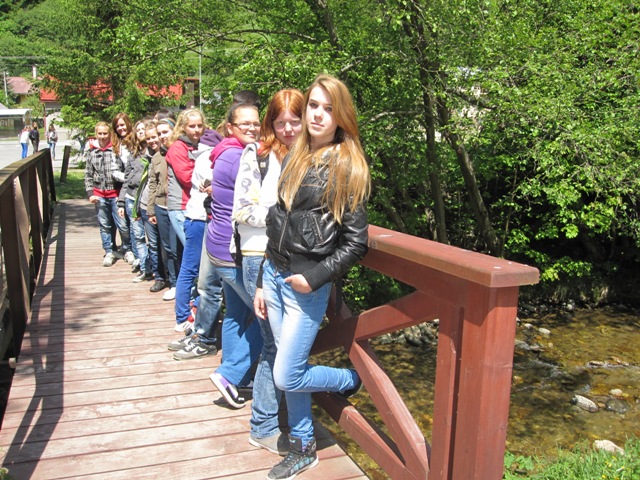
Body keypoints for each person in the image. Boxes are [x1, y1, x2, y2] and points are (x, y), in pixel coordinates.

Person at [254, 74, 370, 480]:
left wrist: (315, 278)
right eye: (313, 106)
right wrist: (261, 281)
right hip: (274, 275)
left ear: (341, 116)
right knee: (292, 369)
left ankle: (349, 378)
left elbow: (356, 243)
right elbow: (277, 222)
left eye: (328, 108)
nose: (318, 115)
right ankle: (303, 447)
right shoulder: (296, 154)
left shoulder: (347, 166)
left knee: (287, 372)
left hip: (305, 287)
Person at [231, 88, 304, 455]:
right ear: (270, 124)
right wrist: (285, 217)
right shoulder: (257, 155)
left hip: (296, 261)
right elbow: (242, 210)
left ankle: (287, 417)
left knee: (287, 343)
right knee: (274, 344)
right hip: (258, 256)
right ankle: (263, 426)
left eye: (295, 121)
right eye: (280, 122)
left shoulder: (310, 155)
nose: (288, 129)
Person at [205, 103, 264, 406]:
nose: (252, 128)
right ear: (230, 127)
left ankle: (236, 376)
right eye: (245, 124)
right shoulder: (239, 157)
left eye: (256, 123)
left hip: (217, 248)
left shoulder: (223, 152)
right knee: (268, 318)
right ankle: (229, 374)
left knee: (236, 315)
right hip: (232, 253)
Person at [165, 108, 208, 332]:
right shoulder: (178, 148)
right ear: (183, 127)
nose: (197, 130)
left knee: (196, 264)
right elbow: (188, 177)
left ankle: (194, 306)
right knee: (192, 265)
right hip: (183, 209)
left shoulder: (198, 146)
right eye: (192, 126)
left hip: (194, 208)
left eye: (200, 125)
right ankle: (183, 315)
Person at [83, 121, 130, 267]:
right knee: (104, 224)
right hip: (99, 194)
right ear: (96, 134)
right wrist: (90, 193)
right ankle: (109, 250)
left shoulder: (116, 149)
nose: (103, 136)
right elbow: (88, 174)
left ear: (109, 134)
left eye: (105, 133)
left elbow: (125, 169)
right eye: (100, 134)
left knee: (122, 224)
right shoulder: (92, 152)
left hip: (115, 193)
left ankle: (127, 249)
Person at [147, 116, 180, 300]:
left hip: (177, 206)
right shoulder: (156, 157)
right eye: (159, 134)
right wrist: (151, 209)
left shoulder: (181, 151)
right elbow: (153, 184)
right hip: (161, 206)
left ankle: (184, 284)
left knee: (177, 248)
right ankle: (174, 283)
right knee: (166, 248)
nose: (162, 136)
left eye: (165, 132)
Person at [136, 122, 169, 293]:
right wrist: (146, 210)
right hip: (147, 206)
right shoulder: (146, 155)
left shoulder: (166, 155)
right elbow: (149, 185)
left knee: (166, 246)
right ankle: (159, 277)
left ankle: (171, 277)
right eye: (148, 138)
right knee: (154, 245)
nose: (152, 141)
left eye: (154, 137)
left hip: (162, 206)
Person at [118, 119, 153, 281]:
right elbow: (126, 180)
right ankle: (145, 268)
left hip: (147, 200)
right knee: (138, 235)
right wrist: (121, 202)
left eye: (143, 129)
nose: (140, 132)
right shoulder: (133, 154)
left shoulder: (153, 153)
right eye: (137, 130)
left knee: (152, 238)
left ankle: (156, 268)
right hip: (131, 198)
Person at [111, 113, 136, 264]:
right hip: (124, 186)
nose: (121, 128)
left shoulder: (136, 140)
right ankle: (129, 249)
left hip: (139, 185)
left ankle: (136, 251)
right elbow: (114, 170)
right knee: (124, 222)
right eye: (117, 126)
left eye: (122, 124)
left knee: (136, 222)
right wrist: (127, 178)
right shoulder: (117, 145)